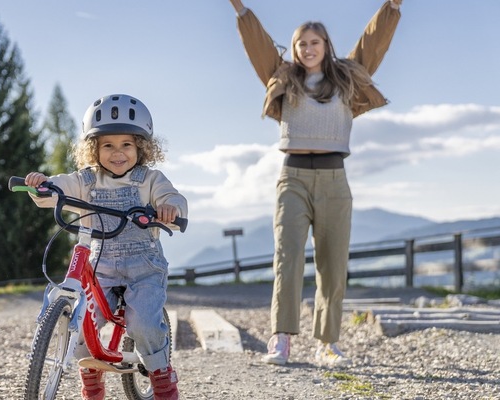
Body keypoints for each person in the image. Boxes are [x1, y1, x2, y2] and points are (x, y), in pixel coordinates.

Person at [226, 0, 402, 367]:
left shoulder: (348, 77)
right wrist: (240, 8)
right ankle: (281, 339)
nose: (307, 49)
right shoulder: (282, 76)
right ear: (295, 49)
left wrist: (392, 6)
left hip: (335, 178)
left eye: (314, 42)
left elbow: (374, 41)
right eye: (301, 43)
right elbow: (257, 42)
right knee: (287, 259)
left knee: (332, 265)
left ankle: (327, 343)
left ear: (326, 46)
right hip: (292, 177)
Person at [24, 94, 187, 400]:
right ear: (93, 148)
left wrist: (169, 210)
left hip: (144, 269)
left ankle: (163, 380)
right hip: (101, 269)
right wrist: (41, 184)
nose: (117, 153)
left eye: (126, 144)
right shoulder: (86, 180)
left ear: (140, 146)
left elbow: (173, 199)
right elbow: (54, 191)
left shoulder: (150, 180)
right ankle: (92, 384)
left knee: (143, 323)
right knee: (85, 320)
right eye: (107, 145)